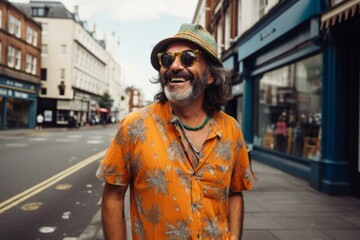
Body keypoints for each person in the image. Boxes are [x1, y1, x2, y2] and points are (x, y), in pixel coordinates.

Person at [96, 23, 253, 240]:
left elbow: (234, 192)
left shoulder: (231, 129)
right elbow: (113, 197)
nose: (175, 66)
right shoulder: (134, 126)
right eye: (167, 59)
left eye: (188, 58)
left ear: (210, 76)